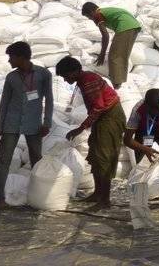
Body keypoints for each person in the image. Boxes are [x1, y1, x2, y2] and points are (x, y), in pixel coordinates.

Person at [55, 57, 125, 211]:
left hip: (110, 117)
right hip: (103, 117)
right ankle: (98, 193)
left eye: (66, 76)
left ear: (74, 71)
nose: (66, 81)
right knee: (95, 154)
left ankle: (105, 200)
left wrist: (81, 128)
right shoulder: (83, 80)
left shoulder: (88, 81)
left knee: (104, 157)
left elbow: (98, 107)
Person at [0, 41, 53, 209]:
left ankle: (38, 197)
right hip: (11, 124)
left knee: (36, 160)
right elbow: (4, 103)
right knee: (4, 160)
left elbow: (49, 99)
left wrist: (47, 122)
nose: (9, 61)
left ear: (21, 57)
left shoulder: (43, 75)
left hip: (34, 124)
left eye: (11, 57)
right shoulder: (11, 77)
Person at [81, 2, 141, 88]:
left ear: (91, 12)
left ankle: (116, 83)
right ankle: (119, 81)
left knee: (114, 56)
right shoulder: (103, 11)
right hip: (133, 25)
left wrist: (102, 54)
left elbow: (105, 35)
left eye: (89, 17)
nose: (91, 19)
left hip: (125, 26)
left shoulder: (98, 14)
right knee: (121, 55)